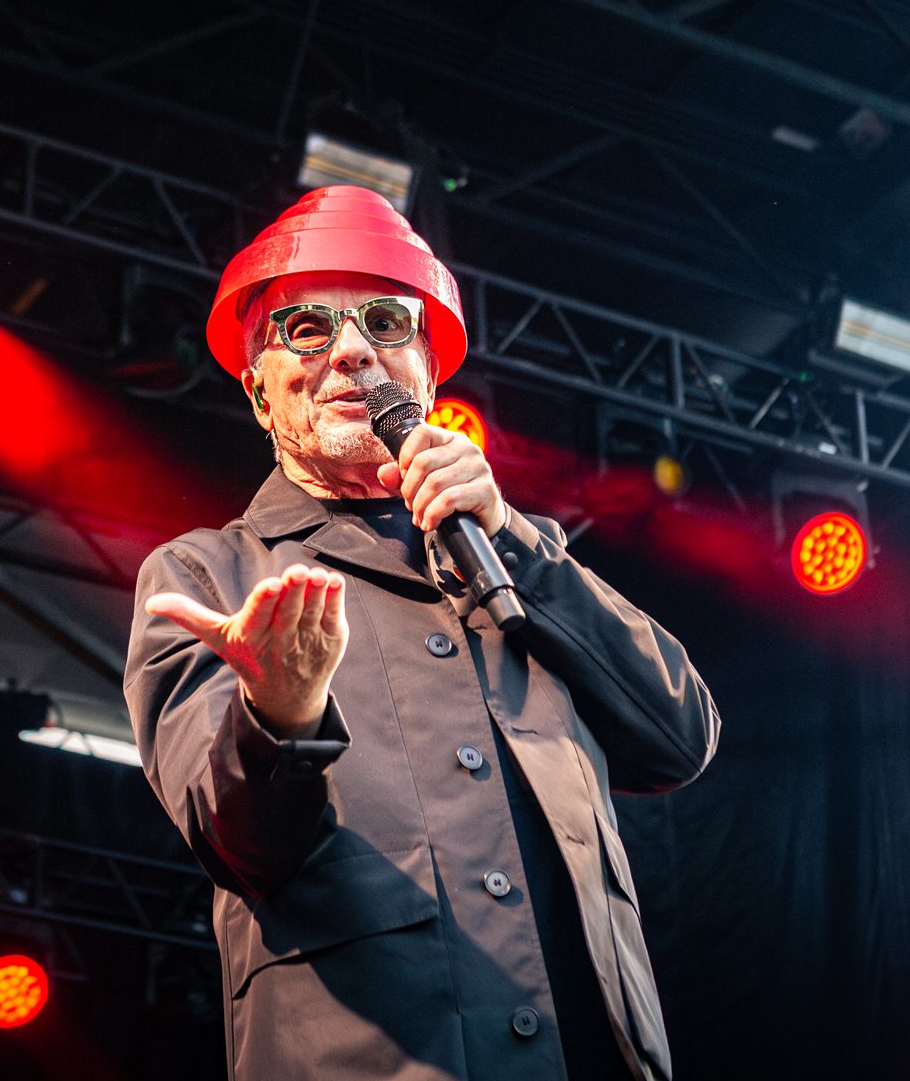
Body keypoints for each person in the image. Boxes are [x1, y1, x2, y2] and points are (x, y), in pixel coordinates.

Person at [125, 186, 720, 1080]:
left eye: (384, 323)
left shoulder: (519, 553)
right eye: (306, 330)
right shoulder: (208, 575)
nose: (352, 350)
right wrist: (279, 716)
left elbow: (680, 736)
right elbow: (237, 844)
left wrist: (515, 540)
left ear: (428, 376)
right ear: (259, 395)